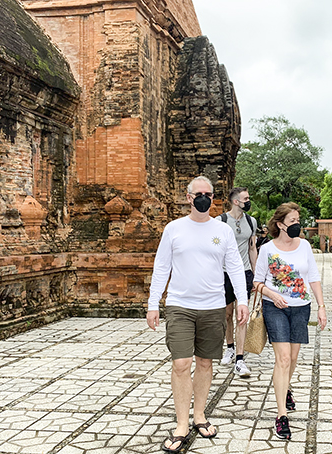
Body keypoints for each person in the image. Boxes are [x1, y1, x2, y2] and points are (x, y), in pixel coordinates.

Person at [147, 176, 249, 453]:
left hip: (213, 306)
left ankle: (199, 415)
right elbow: (162, 267)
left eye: (209, 193)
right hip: (180, 305)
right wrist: (153, 303)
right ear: (189, 197)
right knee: (181, 364)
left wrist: (242, 299)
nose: (203, 197)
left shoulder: (223, 231)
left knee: (205, 363)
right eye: (198, 193)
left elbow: (235, 267)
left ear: (213, 197)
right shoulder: (174, 229)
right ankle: (182, 424)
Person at [253, 202, 327, 440]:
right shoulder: (267, 249)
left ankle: (285, 389)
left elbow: (313, 277)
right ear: (280, 224)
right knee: (283, 358)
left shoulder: (304, 246)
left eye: (298, 220)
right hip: (275, 308)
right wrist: (273, 295)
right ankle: (281, 415)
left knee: (292, 358)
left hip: (300, 308)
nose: (297, 225)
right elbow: (257, 282)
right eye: (293, 221)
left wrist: (321, 306)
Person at [217, 187, 258, 377]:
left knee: (242, 315)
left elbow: (252, 249)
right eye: (246, 198)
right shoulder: (221, 222)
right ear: (236, 201)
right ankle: (230, 347)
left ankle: (240, 360)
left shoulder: (251, 221)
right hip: (225, 273)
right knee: (227, 314)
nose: (248, 201)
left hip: (244, 272)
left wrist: (257, 275)